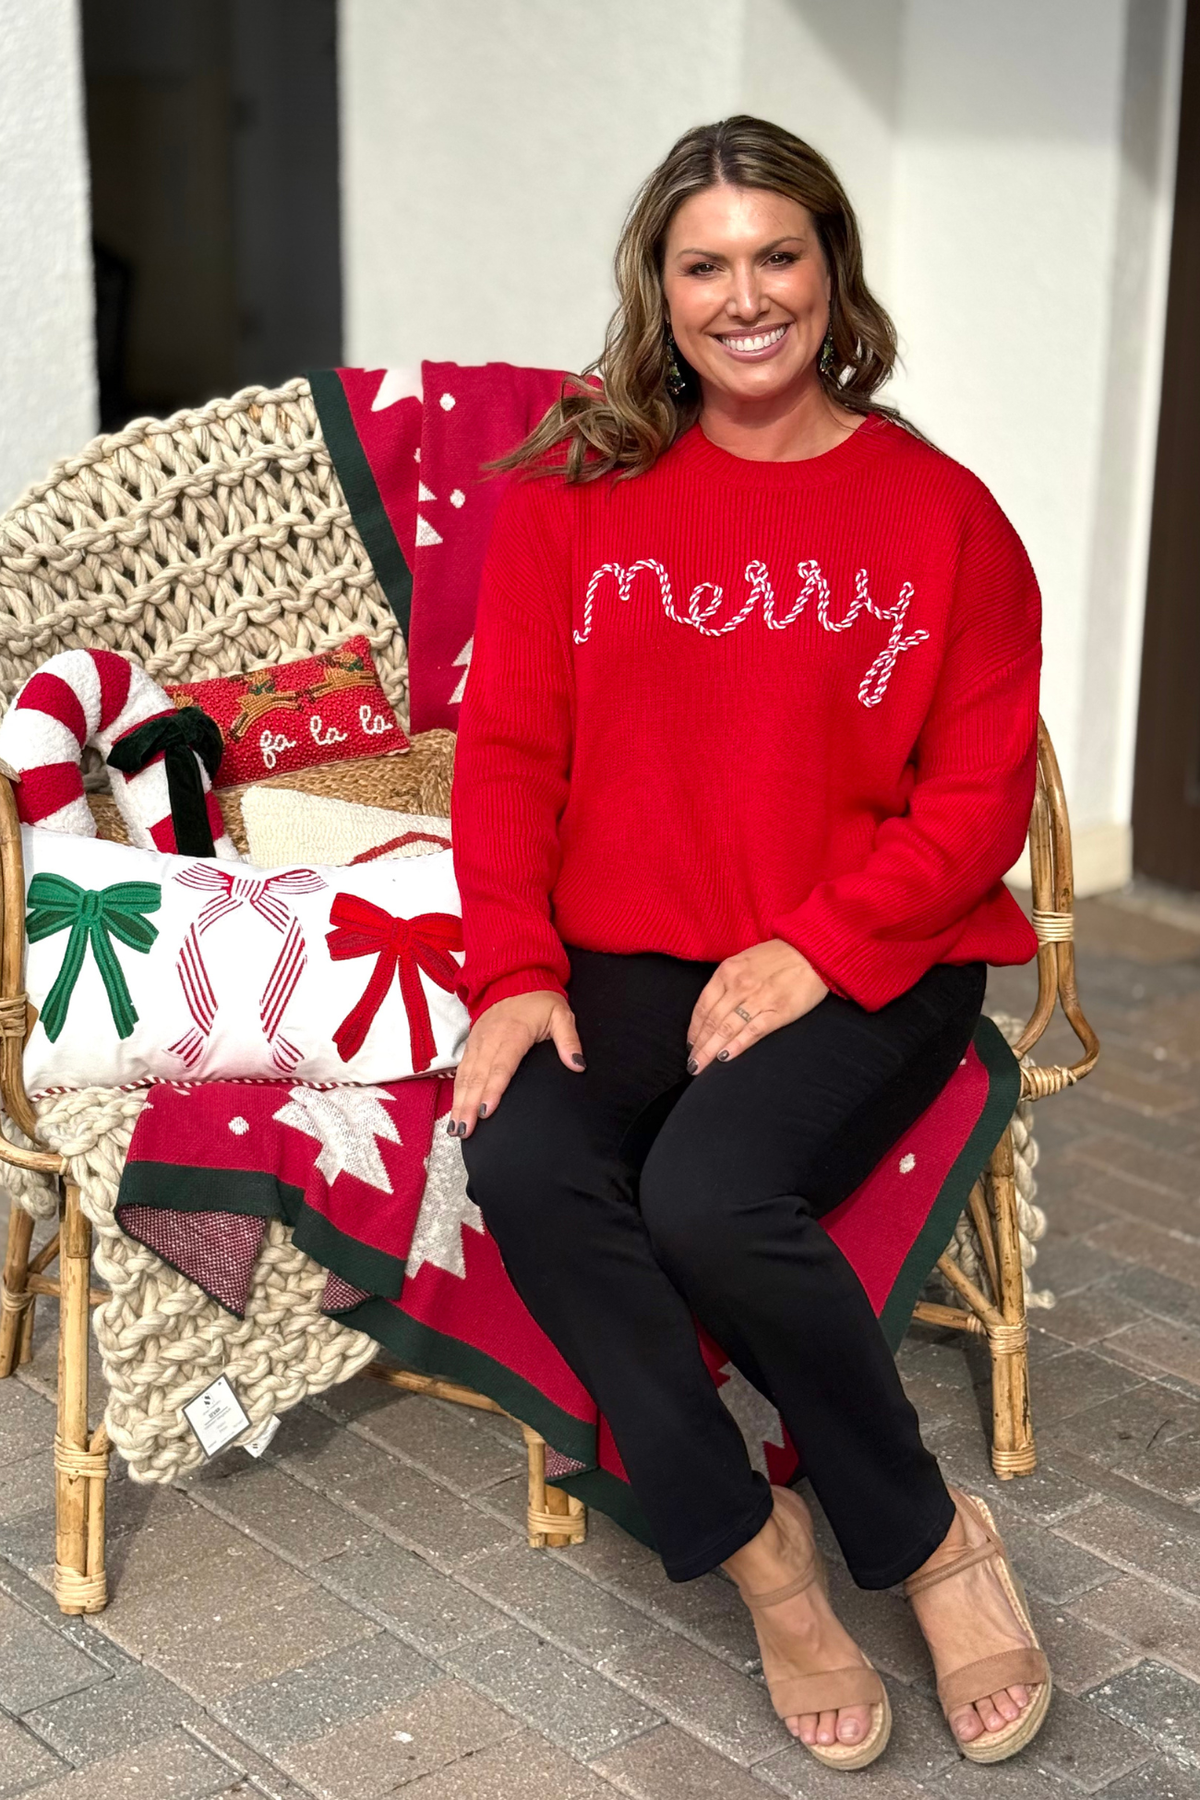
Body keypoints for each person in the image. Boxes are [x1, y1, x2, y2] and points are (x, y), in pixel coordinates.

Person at [447, 115, 1050, 1770]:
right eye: (704, 264)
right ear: (661, 286)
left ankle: (926, 1537)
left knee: (708, 1198)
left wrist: (818, 947)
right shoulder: (577, 498)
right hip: (633, 951)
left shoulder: (945, 518)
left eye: (778, 255)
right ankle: (757, 1549)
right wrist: (514, 971)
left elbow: (977, 804)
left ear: (832, 269)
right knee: (525, 1158)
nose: (745, 297)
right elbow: (509, 755)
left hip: (878, 955)